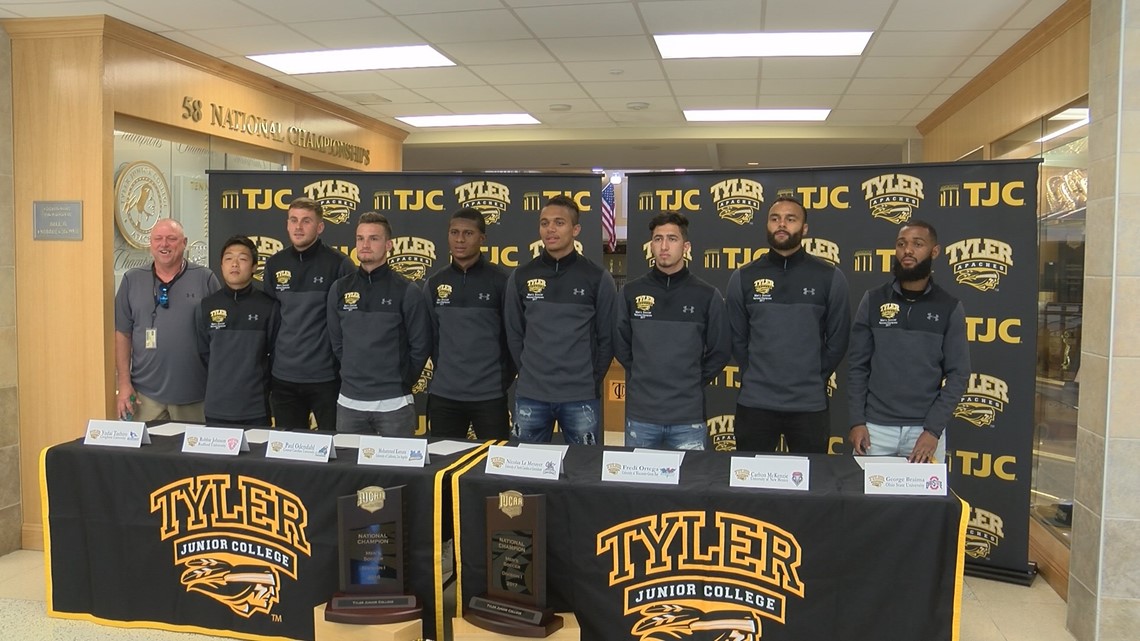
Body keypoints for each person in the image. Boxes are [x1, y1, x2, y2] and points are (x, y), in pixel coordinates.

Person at [726, 196, 850, 453]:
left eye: (790, 219)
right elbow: (737, 339)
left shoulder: (829, 277)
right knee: (750, 478)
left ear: (804, 228)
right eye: (775, 219)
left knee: (811, 478)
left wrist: (812, 375)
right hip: (755, 403)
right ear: (767, 225)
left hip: (809, 405)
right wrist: (757, 373)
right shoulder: (743, 277)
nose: (781, 224)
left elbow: (838, 340)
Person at [847, 220, 970, 463]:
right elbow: (857, 367)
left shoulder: (949, 307)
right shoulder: (873, 300)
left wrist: (933, 430)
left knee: (923, 491)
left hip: (923, 432)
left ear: (934, 251)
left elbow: (959, 374)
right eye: (901, 244)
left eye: (918, 244)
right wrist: (857, 421)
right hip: (875, 430)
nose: (908, 251)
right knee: (863, 490)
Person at [504, 195, 616, 445]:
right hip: (531, 395)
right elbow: (514, 333)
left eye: (559, 223)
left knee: (584, 466)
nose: (550, 229)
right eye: (544, 223)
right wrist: (531, 373)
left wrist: (590, 379)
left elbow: (607, 338)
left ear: (575, 230)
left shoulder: (598, 277)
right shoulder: (521, 276)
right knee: (524, 465)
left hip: (580, 396)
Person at [615, 212, 730, 450]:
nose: (664, 246)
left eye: (672, 239)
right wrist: (644, 372)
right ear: (651, 245)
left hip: (688, 418)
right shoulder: (630, 293)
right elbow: (620, 344)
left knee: (691, 476)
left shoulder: (707, 295)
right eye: (658, 239)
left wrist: (691, 380)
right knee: (639, 476)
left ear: (686, 247)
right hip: (642, 416)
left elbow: (720, 350)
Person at [327, 212, 432, 435]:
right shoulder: (339, 288)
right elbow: (337, 342)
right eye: (360, 238)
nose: (365, 245)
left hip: (394, 405)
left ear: (388, 245)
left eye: (373, 238)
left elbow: (421, 346)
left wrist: (401, 381)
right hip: (349, 404)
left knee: (396, 462)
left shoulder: (407, 290)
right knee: (348, 461)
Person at [115, 218, 220, 422]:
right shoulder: (132, 279)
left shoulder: (205, 278)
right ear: (150, 243)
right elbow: (122, 334)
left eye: (171, 239)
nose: (164, 244)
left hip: (194, 394)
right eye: (158, 239)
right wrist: (124, 384)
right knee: (147, 444)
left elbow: (219, 336)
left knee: (192, 444)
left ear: (184, 243)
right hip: (145, 395)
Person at [263, 197, 353, 430]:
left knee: (335, 447)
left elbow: (350, 324)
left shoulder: (339, 264)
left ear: (320, 227)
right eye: (293, 220)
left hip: (327, 378)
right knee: (289, 449)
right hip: (284, 378)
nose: (298, 227)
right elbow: (272, 321)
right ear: (287, 224)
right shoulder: (274, 264)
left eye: (306, 221)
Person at [423, 208, 514, 439]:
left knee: (493, 461)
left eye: (468, 233)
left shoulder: (501, 281)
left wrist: (499, 381)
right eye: (454, 232)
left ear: (482, 238)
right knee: (443, 460)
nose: (460, 239)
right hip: (445, 397)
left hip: (489, 396)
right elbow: (429, 338)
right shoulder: (435, 283)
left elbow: (513, 338)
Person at [195, 235, 280, 427]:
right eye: (228, 258)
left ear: (254, 266)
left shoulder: (268, 306)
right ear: (221, 265)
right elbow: (204, 354)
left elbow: (275, 356)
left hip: (256, 408)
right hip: (216, 407)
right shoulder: (206, 306)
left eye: (242, 259)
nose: (234, 264)